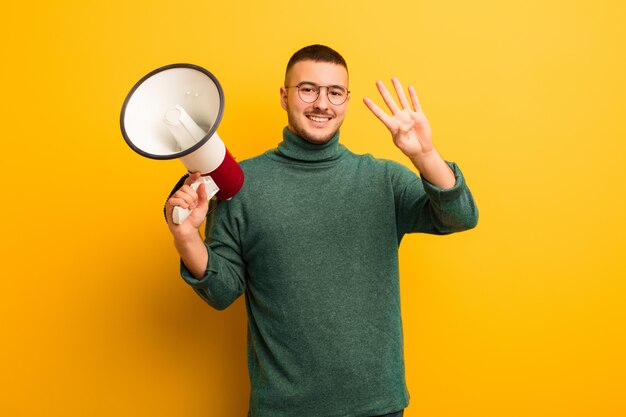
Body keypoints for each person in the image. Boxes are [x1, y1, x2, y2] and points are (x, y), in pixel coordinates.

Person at [165, 44, 478, 417]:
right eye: (307, 89)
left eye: (334, 92)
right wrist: (186, 238)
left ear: (346, 100)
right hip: (283, 409)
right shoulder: (242, 185)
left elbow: (459, 216)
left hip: (377, 406)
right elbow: (220, 291)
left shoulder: (381, 179)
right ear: (284, 96)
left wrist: (425, 154)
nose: (322, 104)